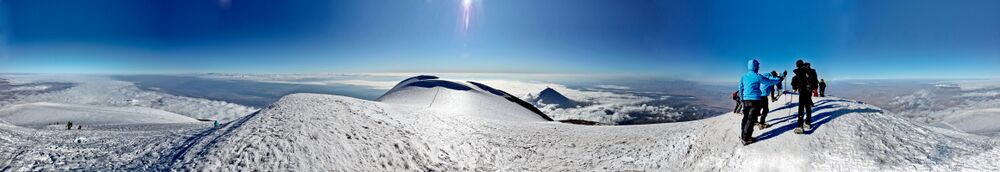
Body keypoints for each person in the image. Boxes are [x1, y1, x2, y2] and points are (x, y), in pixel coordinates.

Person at [739, 59, 784, 145]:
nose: (759, 68)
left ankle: (743, 136)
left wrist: (742, 99)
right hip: (755, 100)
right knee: (751, 120)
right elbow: (769, 82)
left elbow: (740, 88)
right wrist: (780, 79)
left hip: (745, 100)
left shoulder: (743, 76)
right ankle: (746, 139)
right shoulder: (757, 76)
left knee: (745, 119)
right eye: (758, 66)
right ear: (755, 66)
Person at [792, 60, 815, 133]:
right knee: (808, 107)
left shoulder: (799, 72)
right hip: (809, 91)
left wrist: (795, 87)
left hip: (802, 91)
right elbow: (814, 81)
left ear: (797, 65)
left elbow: (794, 82)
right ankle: (807, 123)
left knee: (801, 108)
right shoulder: (810, 71)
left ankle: (800, 126)